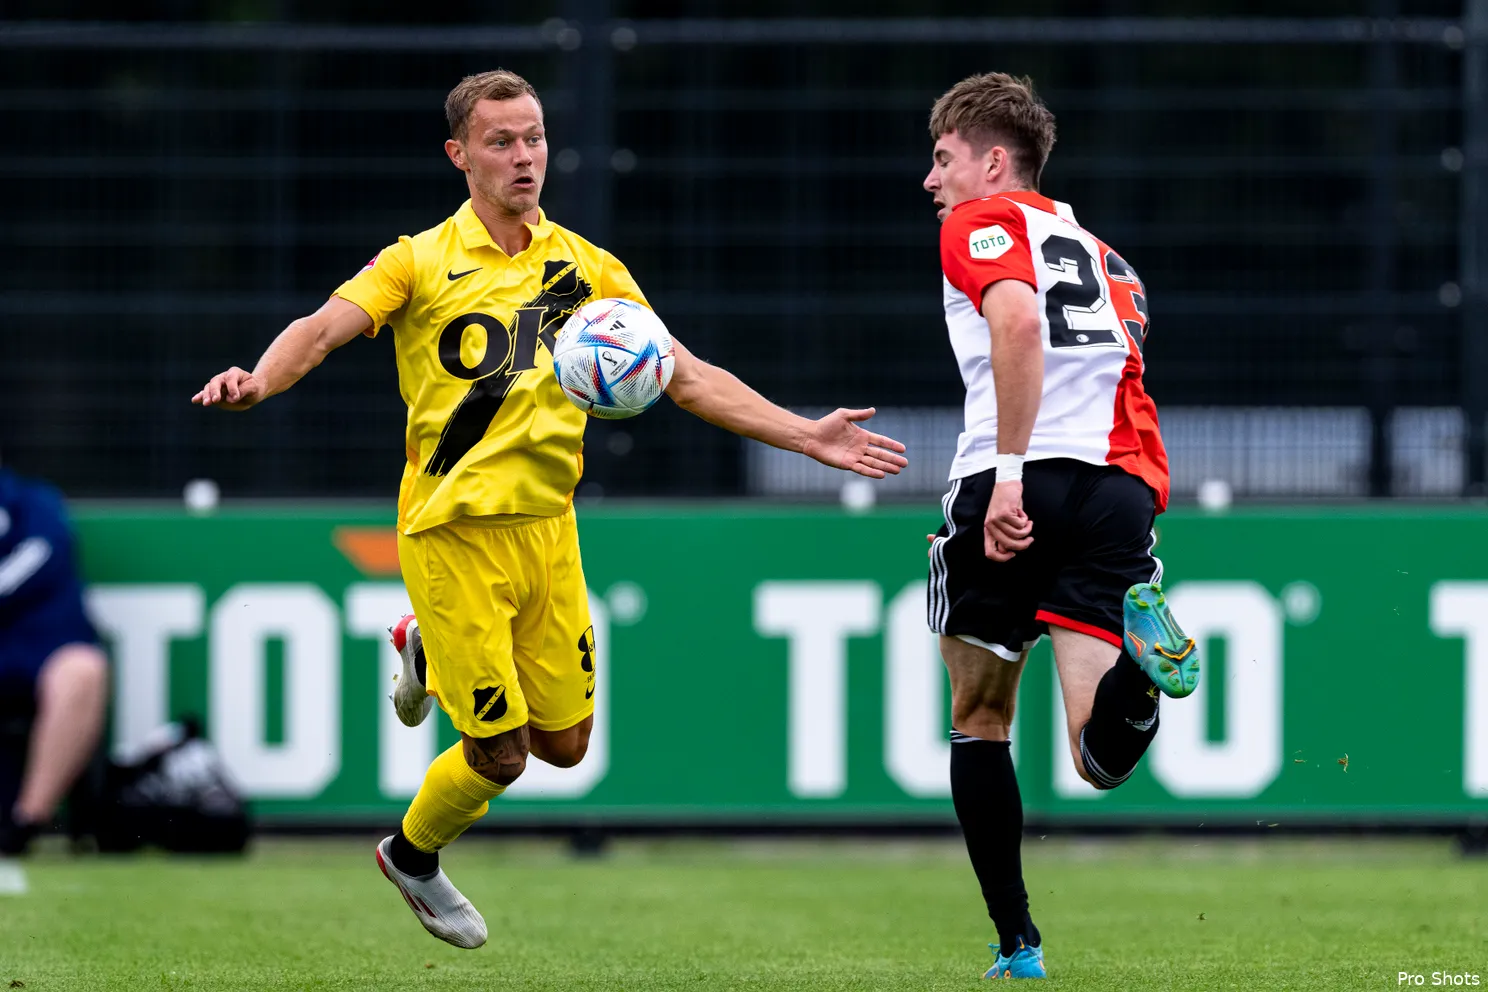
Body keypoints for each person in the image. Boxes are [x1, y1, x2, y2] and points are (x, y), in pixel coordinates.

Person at [193, 69, 908, 949]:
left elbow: (685, 375)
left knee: (564, 746)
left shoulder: (588, 268)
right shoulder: (417, 260)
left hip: (548, 534)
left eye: (532, 137)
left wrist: (806, 436)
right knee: (502, 755)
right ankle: (411, 857)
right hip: (450, 533)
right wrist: (260, 379)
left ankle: (423, 646)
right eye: (501, 141)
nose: (524, 156)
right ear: (460, 155)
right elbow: (321, 327)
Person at [921, 73, 1201, 980]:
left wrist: (1007, 476)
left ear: (992, 160)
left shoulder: (977, 223)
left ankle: (1017, 944)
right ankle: (1142, 680)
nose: (932, 181)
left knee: (977, 718)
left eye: (943, 158)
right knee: (1097, 758)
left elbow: (1015, 323)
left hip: (1018, 482)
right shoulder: (1107, 255)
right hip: (1121, 485)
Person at [0, 464, 110, 856]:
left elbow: (42, 555)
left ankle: (24, 822)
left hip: (39, 648)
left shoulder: (33, 502)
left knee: (83, 670)